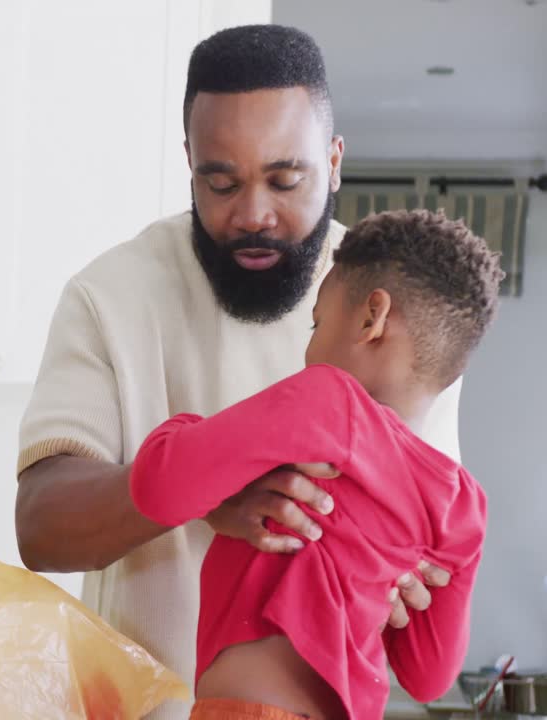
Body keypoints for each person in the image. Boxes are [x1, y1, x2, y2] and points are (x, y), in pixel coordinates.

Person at [14, 25, 463, 719]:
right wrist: (206, 489)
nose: (253, 214)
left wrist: (405, 585)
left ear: (335, 160)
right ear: (189, 161)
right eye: (220, 182)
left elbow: (426, 581)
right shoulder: (110, 295)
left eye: (286, 180)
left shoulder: (403, 317)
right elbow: (40, 526)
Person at [130, 209, 499, 720]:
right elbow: (427, 676)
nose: (308, 350)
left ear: (372, 318)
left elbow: (158, 489)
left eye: (318, 322)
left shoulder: (327, 400)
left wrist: (182, 425)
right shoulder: (463, 505)